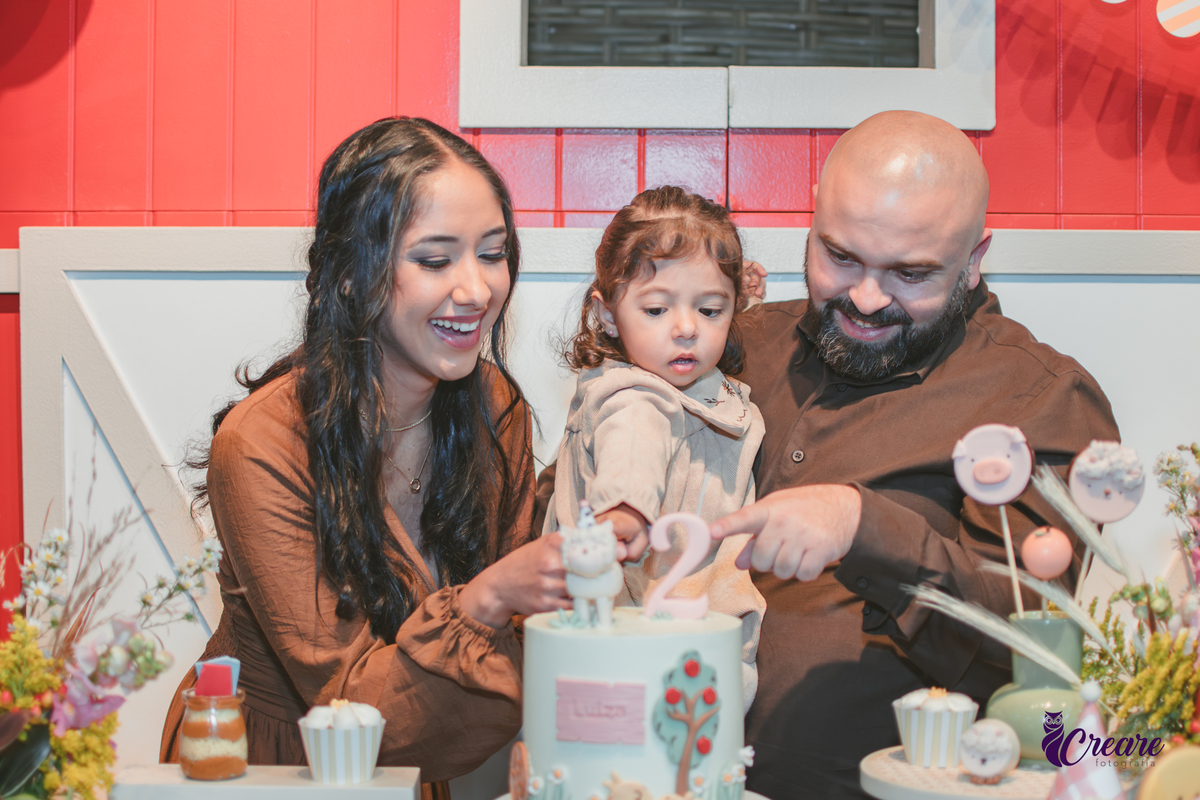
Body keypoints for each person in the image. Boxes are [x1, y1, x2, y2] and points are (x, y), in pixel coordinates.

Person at [707, 111, 1121, 799]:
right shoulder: (733, 343)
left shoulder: (1041, 400)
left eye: (911, 274)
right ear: (812, 222)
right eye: (839, 257)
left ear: (974, 261)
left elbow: (1022, 650)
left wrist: (862, 524)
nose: (866, 299)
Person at [160, 118, 570, 799]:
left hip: (412, 763)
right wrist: (493, 596)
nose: (477, 290)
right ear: (352, 274)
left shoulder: (495, 410)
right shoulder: (261, 443)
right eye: (435, 260)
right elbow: (349, 705)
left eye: (492, 253)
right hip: (269, 767)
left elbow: (518, 637)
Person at [542, 186, 766, 707]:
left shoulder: (681, 378)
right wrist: (624, 514)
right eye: (657, 309)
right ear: (606, 315)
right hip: (642, 646)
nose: (686, 328)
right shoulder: (636, 400)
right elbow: (632, 458)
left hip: (676, 633)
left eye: (711, 310)